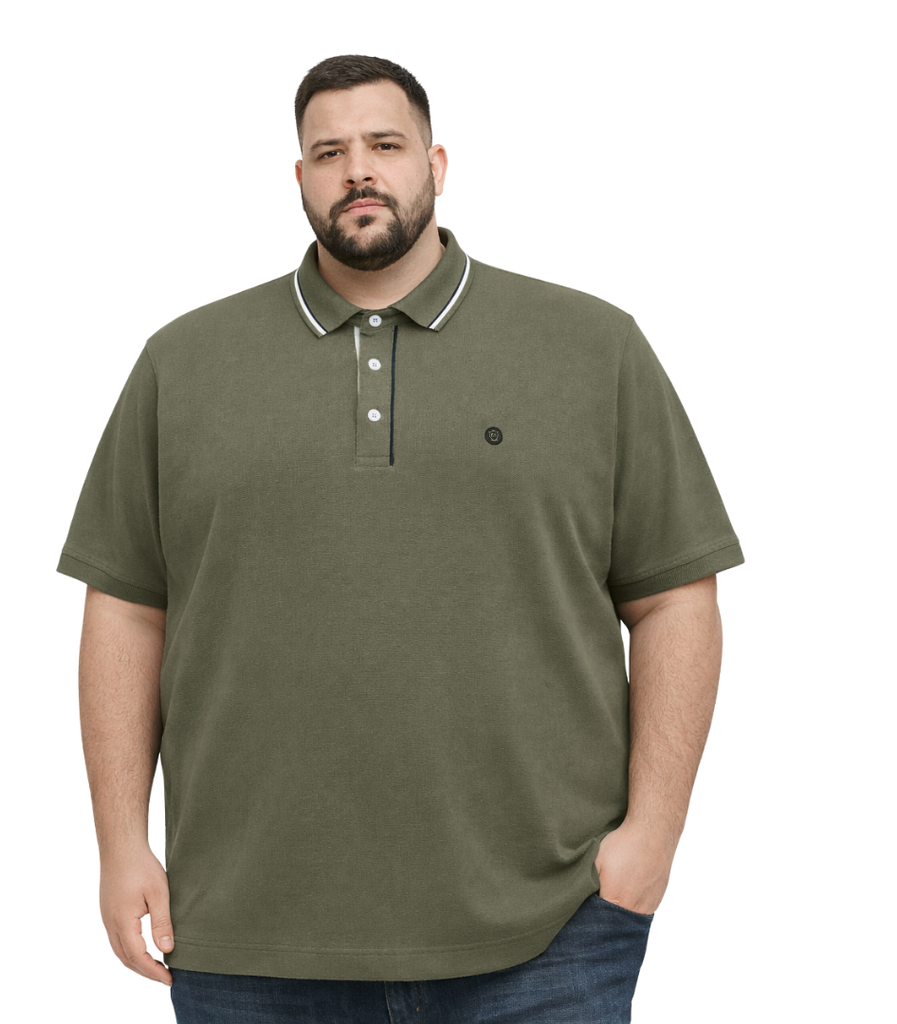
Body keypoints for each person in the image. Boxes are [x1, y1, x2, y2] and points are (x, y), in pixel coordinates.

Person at [58, 54, 744, 1024]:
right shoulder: (185, 364)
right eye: (328, 152)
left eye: (385, 144)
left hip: (546, 934)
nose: (358, 171)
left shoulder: (591, 348)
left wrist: (652, 838)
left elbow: (674, 596)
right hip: (248, 937)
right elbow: (127, 609)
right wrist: (120, 844)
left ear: (437, 163)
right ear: (299, 178)